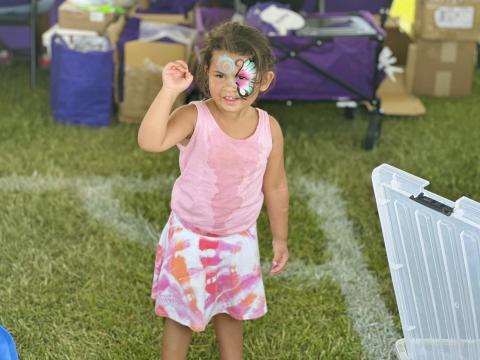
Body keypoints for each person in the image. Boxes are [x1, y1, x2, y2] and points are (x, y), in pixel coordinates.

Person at [138, 21, 289, 360]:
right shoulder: (195, 116)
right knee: (179, 317)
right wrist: (168, 91)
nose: (230, 87)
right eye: (220, 75)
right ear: (206, 74)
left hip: (238, 239)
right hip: (189, 239)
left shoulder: (269, 129)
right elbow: (150, 141)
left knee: (230, 311)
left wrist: (280, 238)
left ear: (264, 80)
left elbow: (276, 185)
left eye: (243, 76)